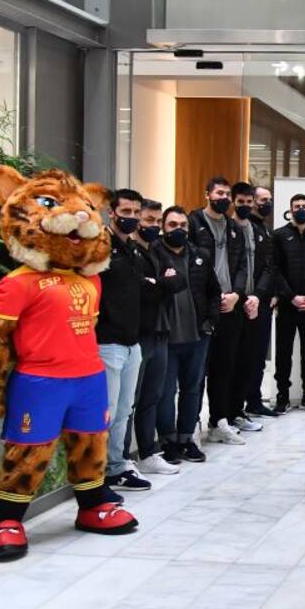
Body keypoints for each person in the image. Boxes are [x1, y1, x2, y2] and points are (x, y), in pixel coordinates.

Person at [97, 188, 153, 492]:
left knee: (124, 410)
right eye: (126, 212)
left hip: (132, 343)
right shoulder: (99, 247)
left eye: (135, 213)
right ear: (112, 213)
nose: (131, 218)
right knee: (105, 412)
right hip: (106, 342)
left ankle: (116, 467)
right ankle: (96, 475)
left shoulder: (132, 249)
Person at [155, 207, 221, 463]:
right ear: (163, 227)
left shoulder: (200, 255)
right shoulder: (154, 254)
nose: (178, 229)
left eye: (183, 225)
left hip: (198, 335)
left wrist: (211, 320)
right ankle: (168, 441)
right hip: (167, 338)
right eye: (172, 225)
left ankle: (186, 439)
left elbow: (214, 291)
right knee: (166, 392)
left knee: (192, 390)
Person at [187, 177, 249, 445]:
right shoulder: (193, 223)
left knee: (224, 367)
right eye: (219, 193)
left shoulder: (234, 227)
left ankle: (219, 421)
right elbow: (190, 266)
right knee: (197, 370)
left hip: (230, 305)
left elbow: (242, 265)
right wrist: (209, 299)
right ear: (207, 195)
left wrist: (236, 294)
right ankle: (191, 424)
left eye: (226, 194)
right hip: (203, 308)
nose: (223, 198)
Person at [125, 199, 183, 476]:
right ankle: (121, 460)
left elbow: (179, 281)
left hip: (161, 332)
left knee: (152, 397)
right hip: (137, 335)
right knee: (129, 402)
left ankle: (148, 452)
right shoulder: (130, 252)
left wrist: (157, 283)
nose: (154, 226)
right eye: (149, 220)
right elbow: (140, 290)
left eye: (157, 221)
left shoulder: (158, 250)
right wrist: (163, 283)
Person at [272, 193, 305, 413]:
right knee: (283, 352)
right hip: (287, 304)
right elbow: (275, 270)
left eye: (304, 206)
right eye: (297, 206)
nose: (300, 209)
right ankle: (282, 395)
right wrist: (291, 297)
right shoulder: (279, 235)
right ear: (290, 209)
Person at [227, 181, 271, 432]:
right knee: (229, 363)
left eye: (249, 201)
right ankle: (223, 416)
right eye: (240, 201)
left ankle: (238, 411)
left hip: (255, 303)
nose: (245, 205)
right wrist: (239, 295)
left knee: (249, 360)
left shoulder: (258, 230)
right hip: (233, 303)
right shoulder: (228, 228)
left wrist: (258, 295)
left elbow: (267, 266)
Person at [242, 184, 278, 417]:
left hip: (264, 301)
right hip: (248, 300)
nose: (267, 204)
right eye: (263, 199)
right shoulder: (246, 228)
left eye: (269, 199)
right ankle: (242, 403)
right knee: (247, 356)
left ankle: (254, 400)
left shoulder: (265, 229)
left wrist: (272, 293)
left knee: (258, 357)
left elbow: (271, 266)